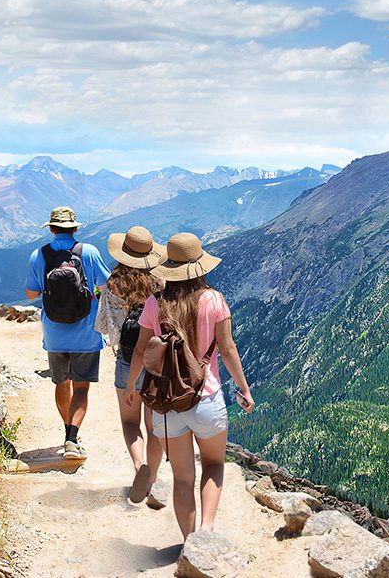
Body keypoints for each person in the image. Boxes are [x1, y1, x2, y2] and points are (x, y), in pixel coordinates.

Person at [125, 232, 255, 539]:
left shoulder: (155, 304)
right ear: (199, 266)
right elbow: (227, 349)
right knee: (213, 466)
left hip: (166, 403)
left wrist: (131, 386)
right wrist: (244, 388)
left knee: (182, 478)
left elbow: (141, 350)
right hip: (206, 399)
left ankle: (188, 542)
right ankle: (205, 533)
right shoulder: (214, 300)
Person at [24, 206, 111, 459]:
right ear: (74, 228)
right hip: (86, 333)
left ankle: (68, 433)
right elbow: (105, 284)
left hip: (54, 333)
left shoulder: (39, 255)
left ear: (51, 229)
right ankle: (72, 439)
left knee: (61, 383)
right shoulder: (89, 252)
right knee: (81, 387)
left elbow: (31, 293)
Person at [95, 226, 168, 507]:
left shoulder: (113, 284)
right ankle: (152, 481)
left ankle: (139, 467)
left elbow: (103, 327)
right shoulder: (160, 284)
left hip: (127, 360)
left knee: (129, 422)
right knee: (154, 426)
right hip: (156, 362)